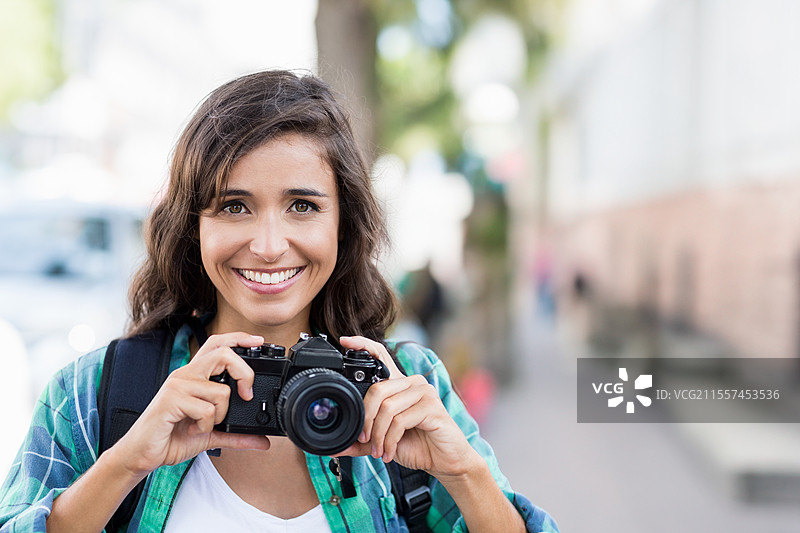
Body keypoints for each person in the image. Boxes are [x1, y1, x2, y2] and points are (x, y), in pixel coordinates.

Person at [0, 70, 559, 533]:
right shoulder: (94, 395)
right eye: (234, 207)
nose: (268, 247)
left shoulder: (406, 385)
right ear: (193, 227)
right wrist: (126, 463)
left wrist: (463, 472)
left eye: (302, 206)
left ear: (345, 224)